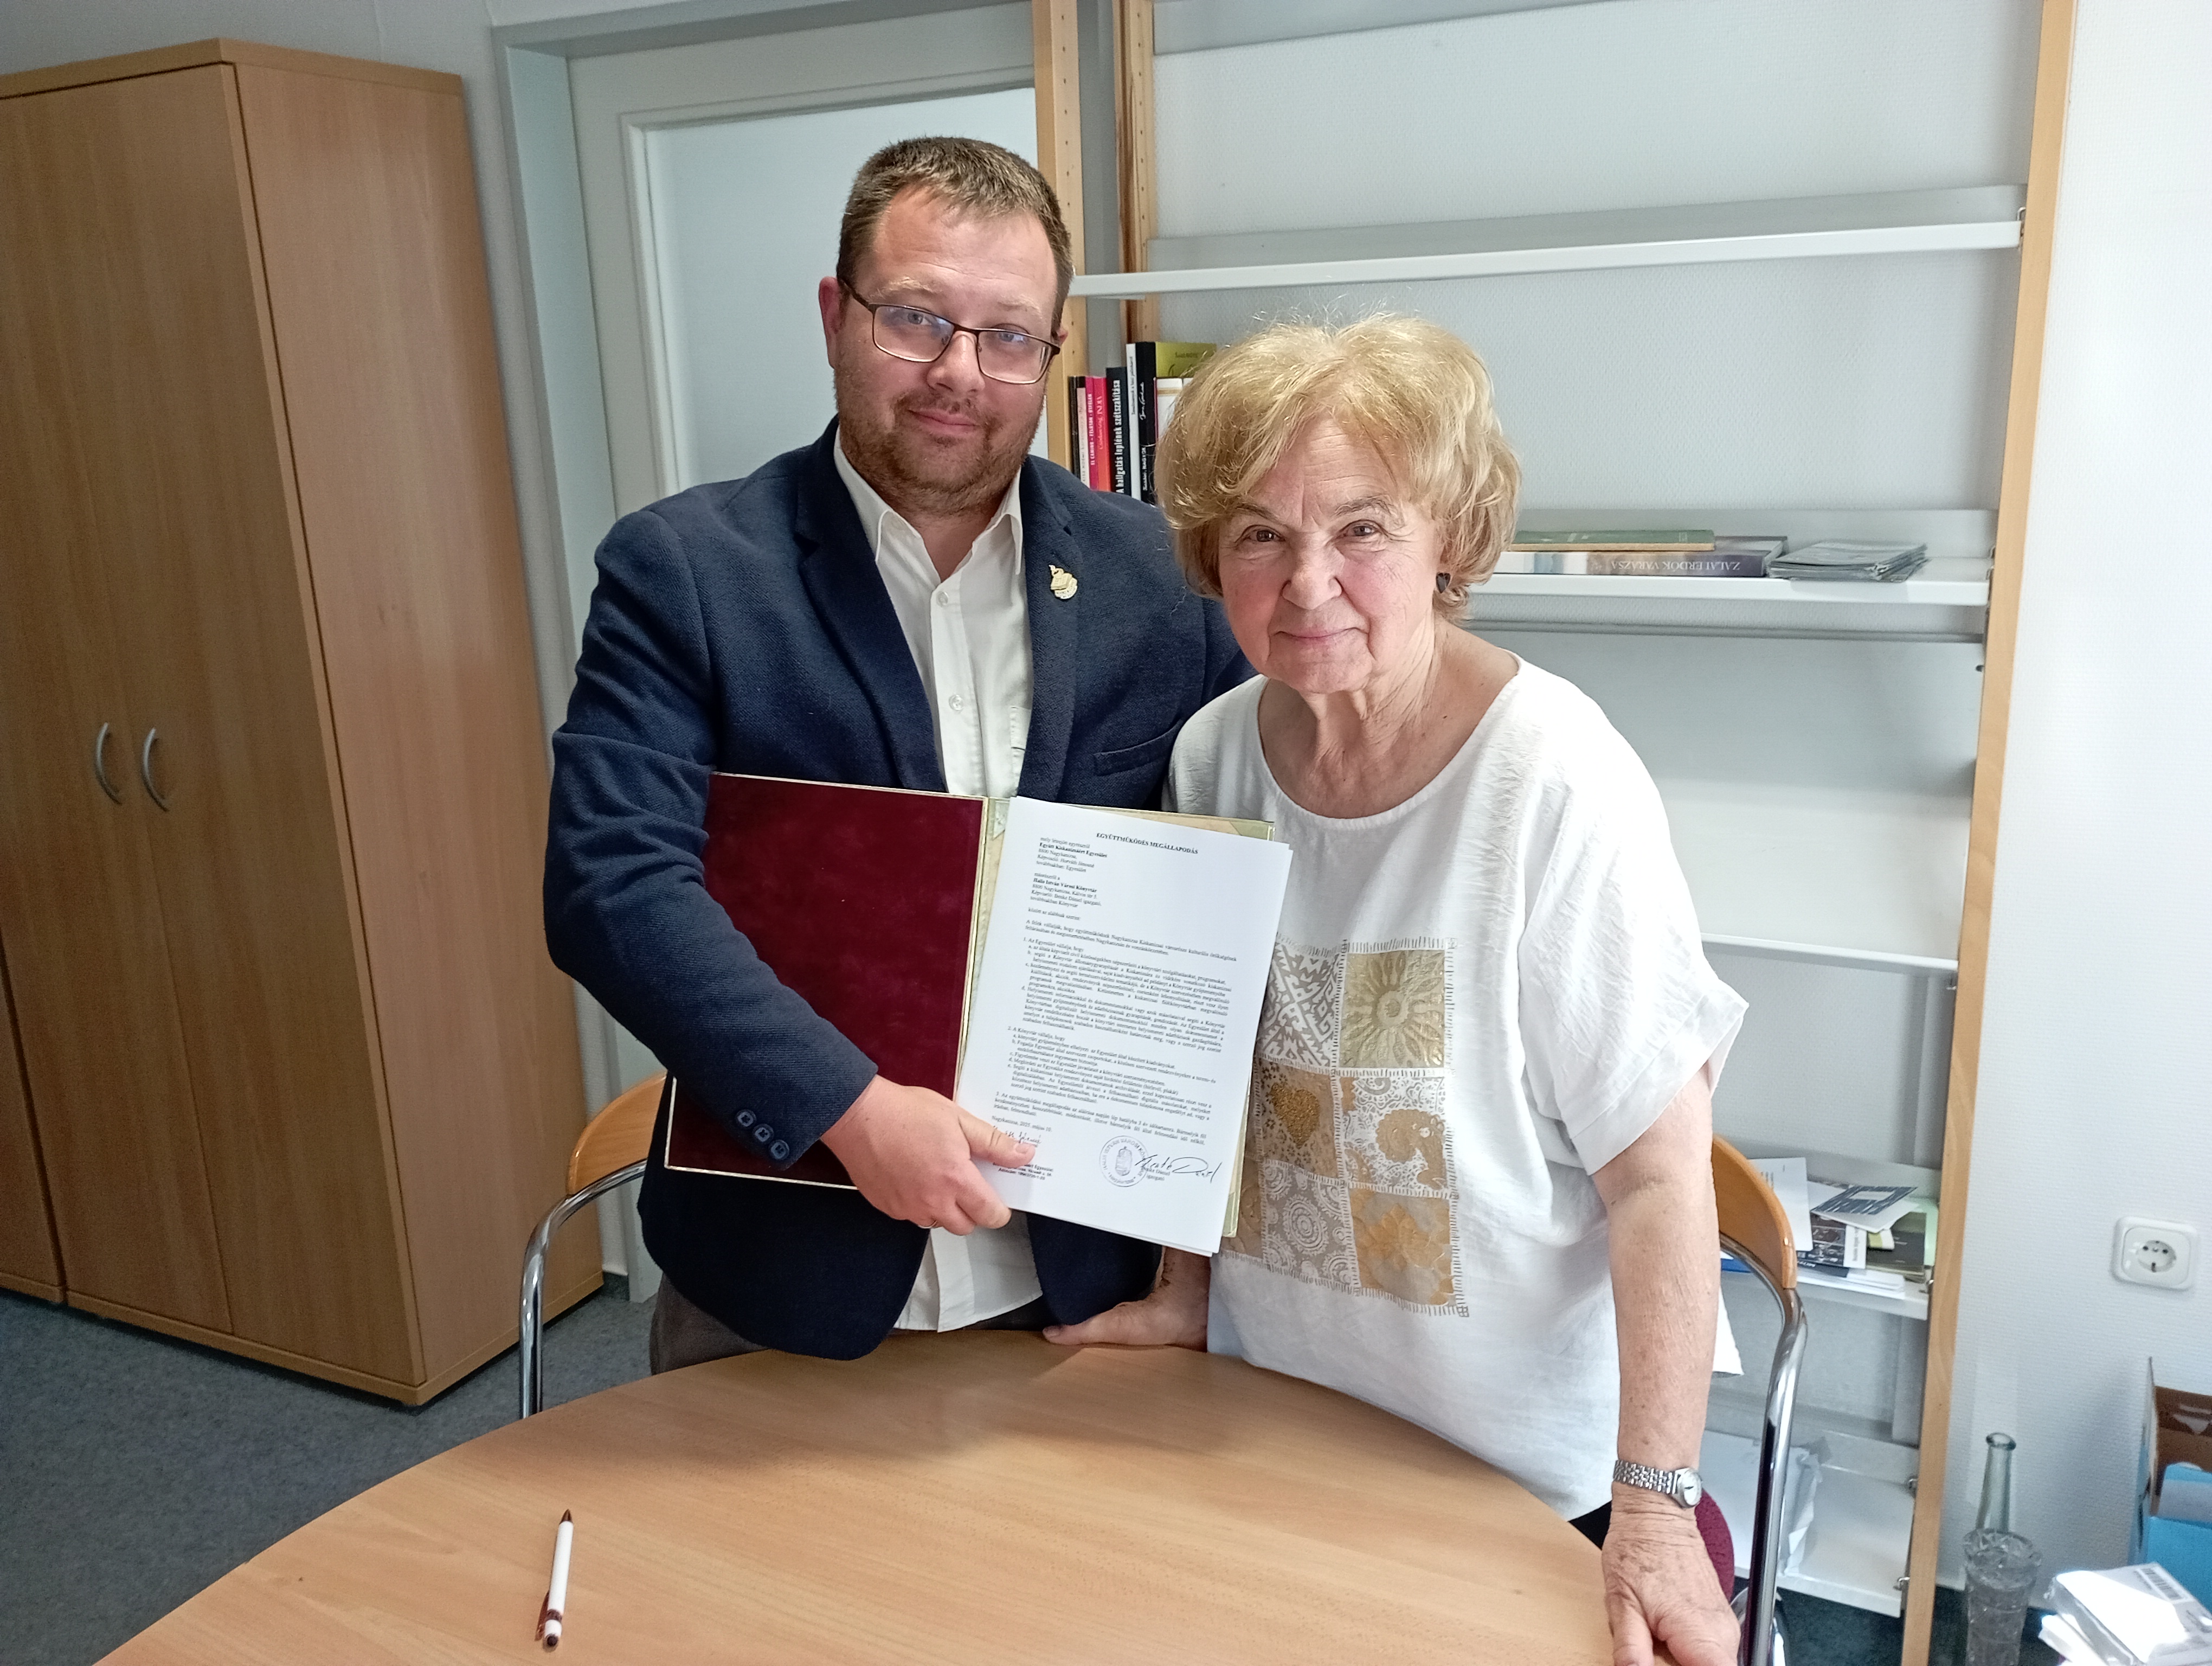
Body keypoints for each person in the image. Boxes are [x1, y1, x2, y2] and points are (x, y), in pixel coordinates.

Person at [1043, 315, 1746, 1666]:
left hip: (1519, 1484)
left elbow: (1661, 1181)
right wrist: (1186, 1290)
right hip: (1274, 1430)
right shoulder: (1211, 756)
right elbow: (1204, 1068)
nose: (1308, 582)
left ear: (1450, 541)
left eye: (1362, 528)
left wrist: (1658, 1510)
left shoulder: (1555, 781)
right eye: (1260, 534)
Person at [544, 137, 1248, 1370]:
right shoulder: (686, 573)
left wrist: (1199, 1268)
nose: (958, 373)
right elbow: (613, 888)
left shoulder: (1166, 580)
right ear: (835, 315)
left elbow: (1242, 895)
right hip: (777, 1282)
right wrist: (851, 1113)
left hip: (1085, 1292)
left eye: (1007, 335)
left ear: (1051, 351)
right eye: (915, 318)